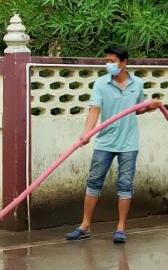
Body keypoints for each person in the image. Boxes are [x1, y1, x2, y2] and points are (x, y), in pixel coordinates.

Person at [65, 45, 157, 244]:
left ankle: (121, 228)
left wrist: (151, 107)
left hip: (128, 144)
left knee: (125, 185)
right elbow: (95, 110)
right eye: (106, 61)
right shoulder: (101, 83)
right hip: (105, 141)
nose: (109, 64)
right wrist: (86, 133)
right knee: (93, 182)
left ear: (124, 63)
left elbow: (138, 109)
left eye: (112, 61)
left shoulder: (137, 84)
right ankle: (85, 226)